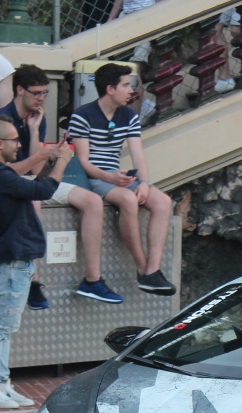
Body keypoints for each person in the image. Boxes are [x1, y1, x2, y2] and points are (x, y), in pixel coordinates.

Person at [0, 117, 75, 407]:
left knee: (6, 326)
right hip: (11, 258)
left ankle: (1, 381)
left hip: (18, 257)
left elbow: (26, 179)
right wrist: (62, 162)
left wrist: (46, 157)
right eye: (14, 140)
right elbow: (43, 190)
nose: (19, 145)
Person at [0, 65, 108, 308]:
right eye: (36, 93)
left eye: (44, 93)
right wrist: (42, 150)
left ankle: (92, 279)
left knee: (92, 200)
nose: (41, 99)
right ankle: (34, 281)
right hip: (12, 183)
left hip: (33, 180)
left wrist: (35, 131)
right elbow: (7, 171)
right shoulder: (2, 119)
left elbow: (37, 172)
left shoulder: (39, 117)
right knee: (33, 199)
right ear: (19, 90)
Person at [69, 63, 176, 297]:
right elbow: (83, 161)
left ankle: (153, 270)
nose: (131, 90)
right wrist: (108, 177)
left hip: (117, 176)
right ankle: (142, 269)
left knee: (163, 202)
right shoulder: (82, 115)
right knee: (128, 199)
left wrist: (145, 183)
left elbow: (138, 154)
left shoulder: (128, 115)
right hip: (94, 177)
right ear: (110, 89)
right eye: (126, 85)